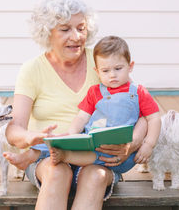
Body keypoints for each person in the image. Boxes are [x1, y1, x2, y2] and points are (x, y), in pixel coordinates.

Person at [4, 0, 149, 210]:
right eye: (65, 30)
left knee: (95, 175)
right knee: (57, 171)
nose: (76, 36)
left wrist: (131, 145)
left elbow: (142, 111)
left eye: (81, 28)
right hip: (49, 158)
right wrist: (30, 137)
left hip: (98, 159)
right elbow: (13, 129)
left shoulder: (103, 62)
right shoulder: (32, 70)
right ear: (47, 32)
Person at [48, 36, 160, 175]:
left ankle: (67, 157)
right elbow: (82, 117)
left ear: (130, 67)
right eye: (105, 71)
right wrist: (72, 134)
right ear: (97, 72)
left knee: (96, 155)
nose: (112, 75)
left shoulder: (138, 92)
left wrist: (148, 144)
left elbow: (154, 118)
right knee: (75, 145)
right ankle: (62, 154)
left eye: (118, 68)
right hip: (95, 144)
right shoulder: (94, 92)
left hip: (123, 152)